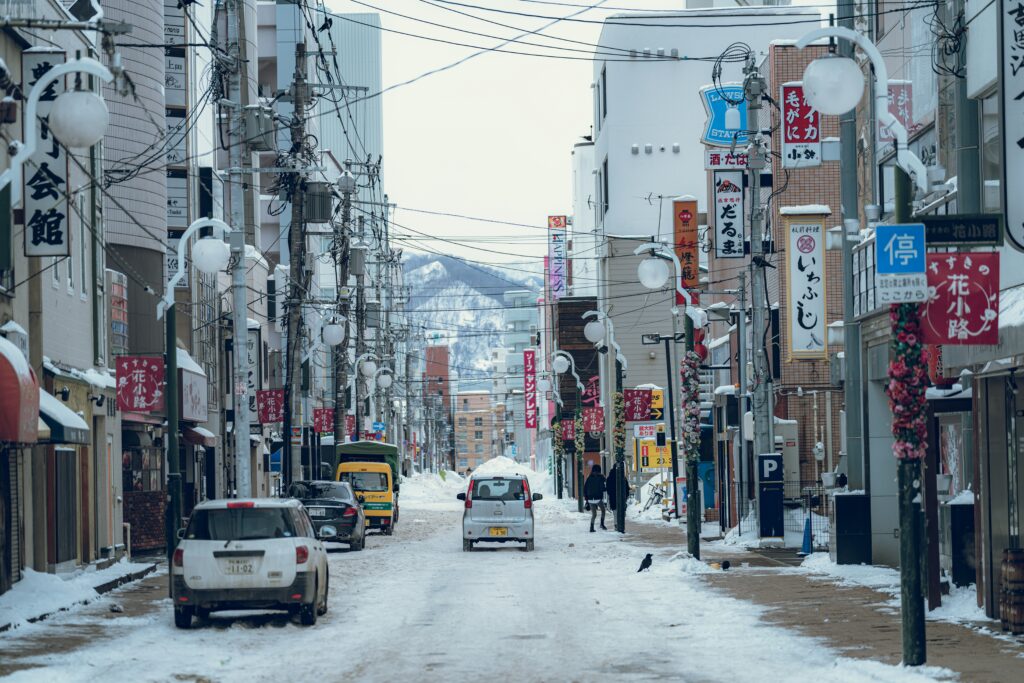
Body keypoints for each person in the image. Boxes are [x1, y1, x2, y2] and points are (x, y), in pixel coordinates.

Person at [583, 464, 607, 532]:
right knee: (603, 510)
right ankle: (602, 524)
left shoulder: (589, 478)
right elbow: (602, 488)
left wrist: (587, 499)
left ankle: (591, 527)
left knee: (594, 514)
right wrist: (606, 488)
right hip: (598, 498)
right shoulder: (601, 477)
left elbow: (585, 488)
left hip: (590, 499)